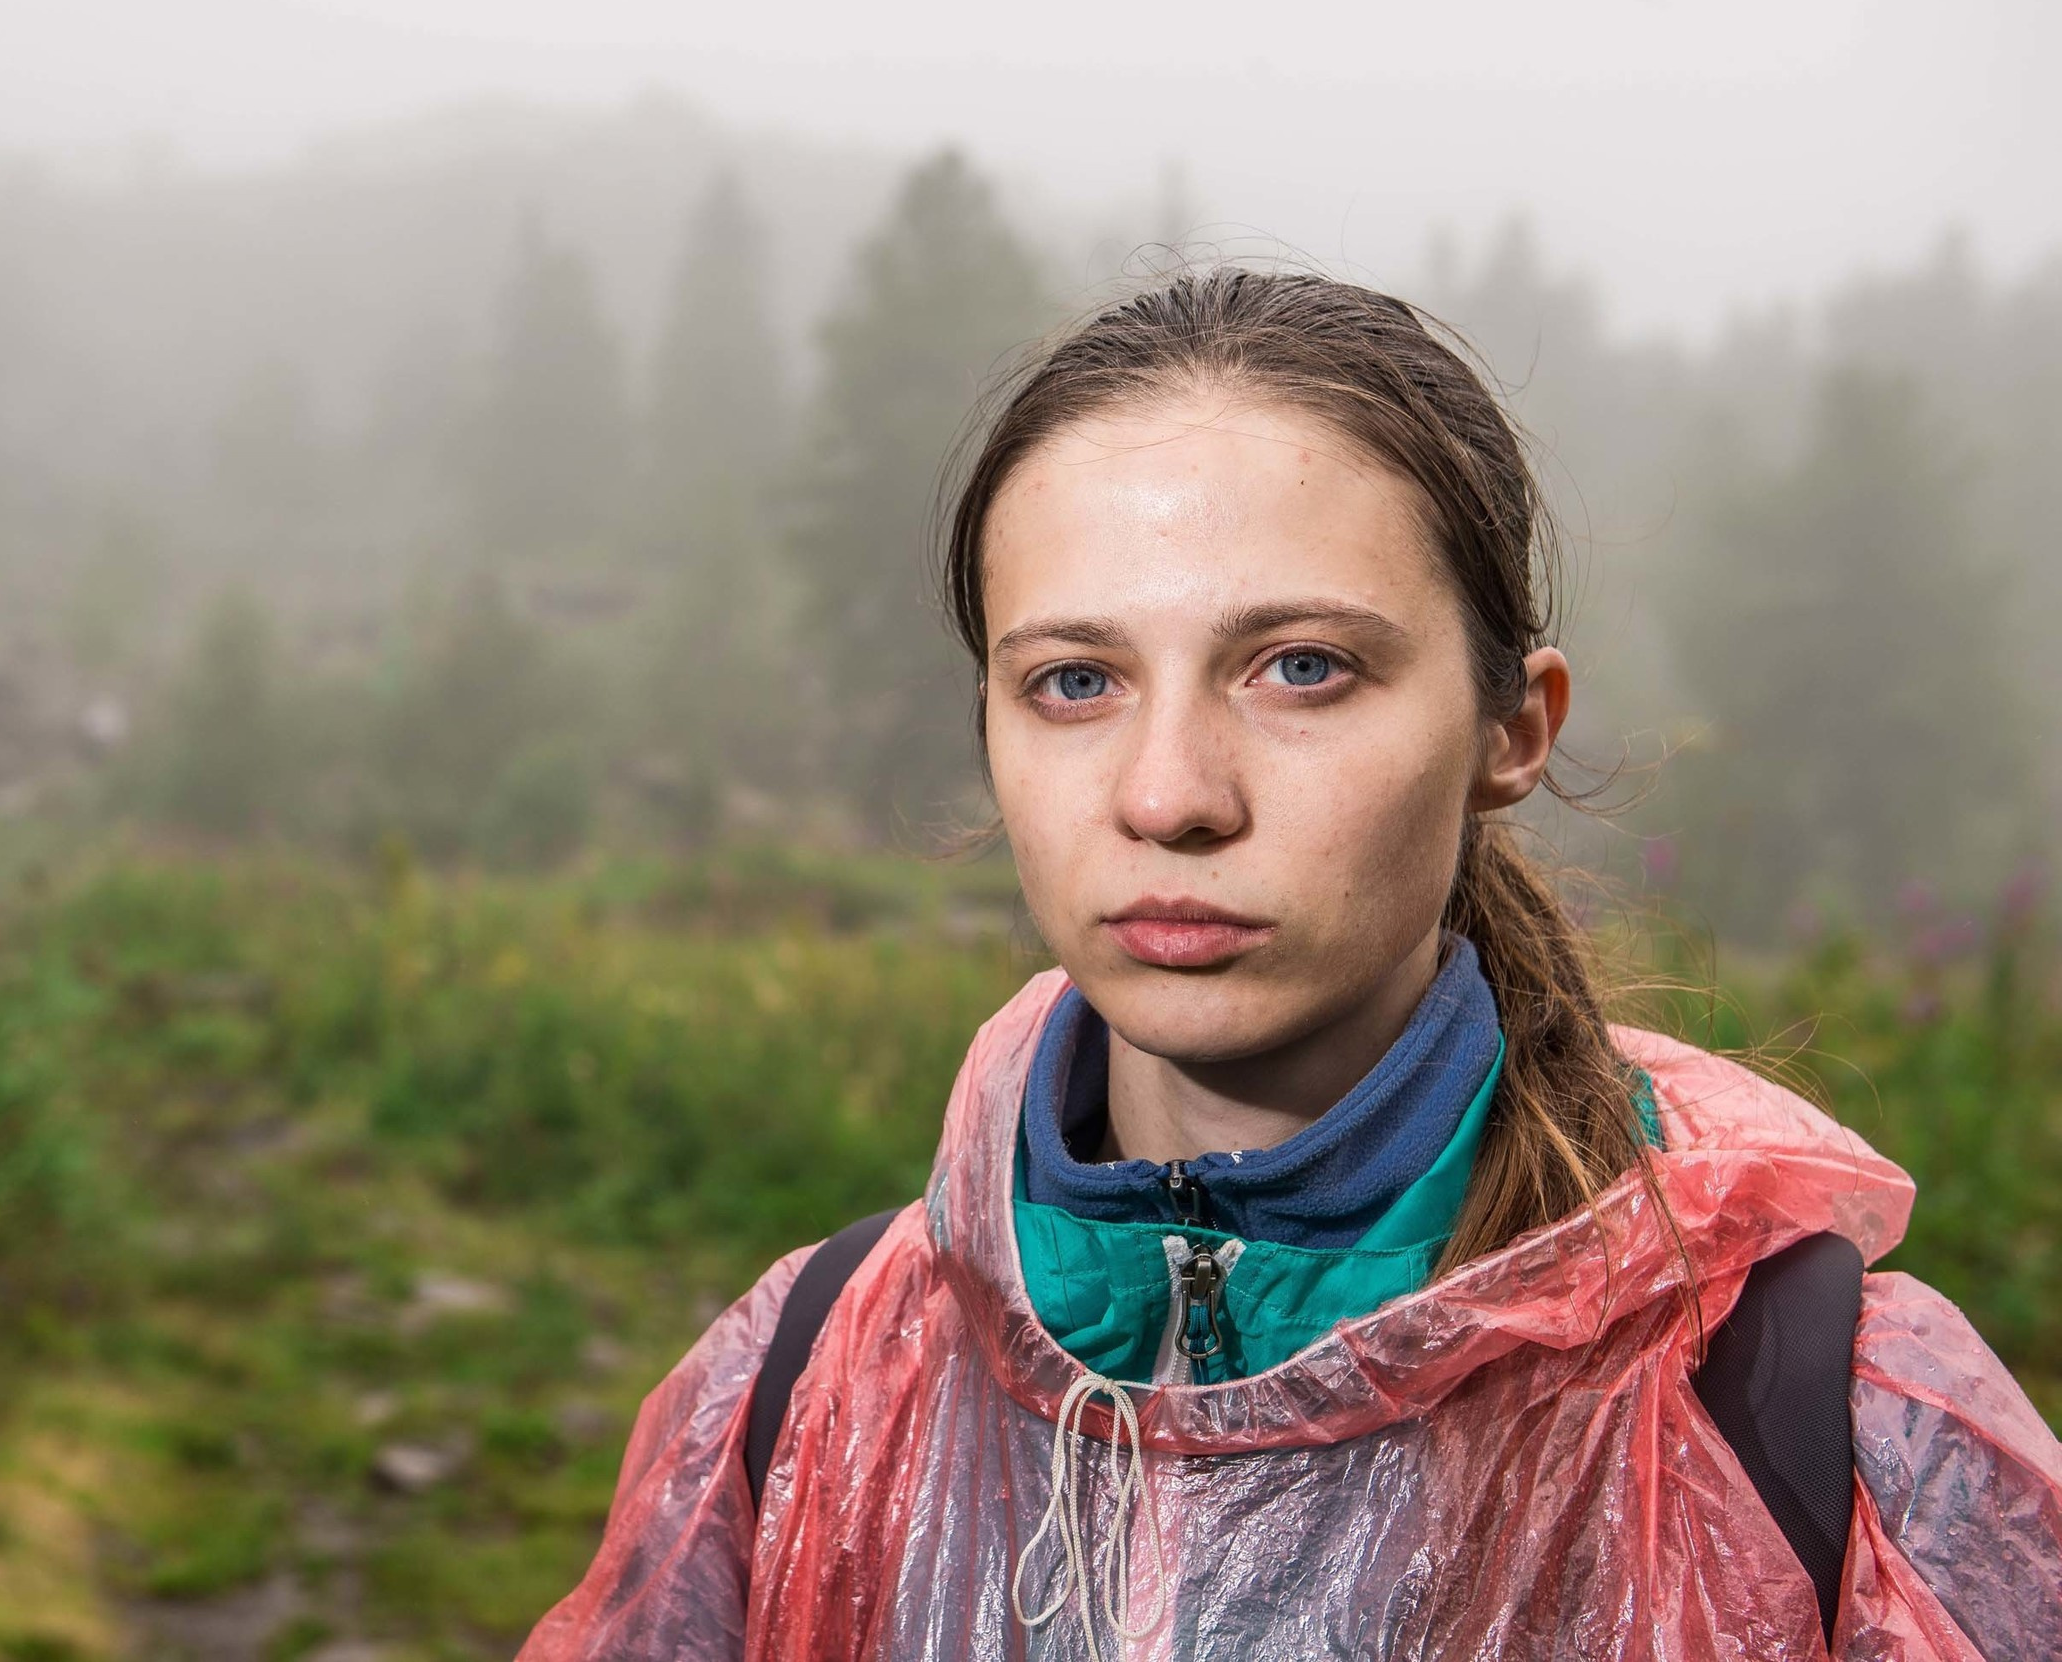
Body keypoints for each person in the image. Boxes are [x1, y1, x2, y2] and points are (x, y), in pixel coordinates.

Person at [521, 271, 2062, 1659]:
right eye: (1074, 681)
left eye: (1302, 668)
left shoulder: (1828, 1424)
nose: (1169, 794)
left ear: (1511, 729)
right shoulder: (804, 1382)